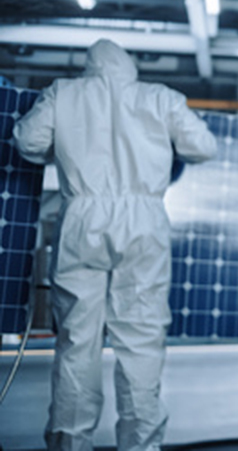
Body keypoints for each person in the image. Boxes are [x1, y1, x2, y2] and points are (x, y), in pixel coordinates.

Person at [13, 39, 218, 451]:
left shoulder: (64, 92)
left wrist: (66, 153)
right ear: (129, 67)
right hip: (143, 221)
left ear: (90, 67)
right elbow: (203, 146)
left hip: (81, 220)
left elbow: (27, 141)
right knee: (141, 341)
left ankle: (70, 446)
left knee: (76, 341)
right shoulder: (158, 98)